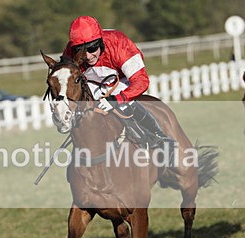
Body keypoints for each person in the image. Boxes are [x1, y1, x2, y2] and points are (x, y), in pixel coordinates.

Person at [60, 15, 175, 156]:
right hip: (92, 83)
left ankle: (159, 137)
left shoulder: (118, 43)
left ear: (100, 42)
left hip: (121, 80)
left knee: (124, 104)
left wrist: (117, 99)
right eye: (80, 50)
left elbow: (142, 81)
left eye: (92, 48)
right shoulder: (70, 53)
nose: (88, 56)